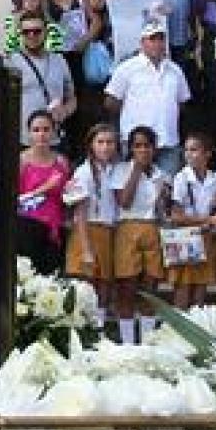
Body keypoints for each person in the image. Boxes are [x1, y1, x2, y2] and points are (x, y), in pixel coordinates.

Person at [104, 20, 192, 174]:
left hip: (168, 143)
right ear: (142, 42)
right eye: (152, 39)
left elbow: (182, 103)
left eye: (161, 39)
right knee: (133, 189)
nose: (157, 44)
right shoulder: (126, 68)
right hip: (136, 144)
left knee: (165, 191)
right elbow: (111, 102)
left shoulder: (175, 70)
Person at [109, 125, 169, 344]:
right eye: (138, 146)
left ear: (154, 148)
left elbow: (162, 211)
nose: (143, 150)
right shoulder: (121, 170)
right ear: (131, 149)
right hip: (128, 226)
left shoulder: (161, 174)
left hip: (151, 227)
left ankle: (147, 339)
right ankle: (127, 341)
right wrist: (136, 170)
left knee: (150, 286)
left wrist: (163, 197)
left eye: (147, 145)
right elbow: (124, 201)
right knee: (127, 285)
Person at [64, 122, 120, 309]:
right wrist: (87, 250)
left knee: (104, 288)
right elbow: (80, 213)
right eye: (100, 142)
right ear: (91, 145)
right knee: (86, 290)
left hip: (107, 233)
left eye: (110, 142)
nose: (105, 147)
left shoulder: (114, 170)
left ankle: (101, 329)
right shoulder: (84, 171)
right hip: (87, 232)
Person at [167, 132, 216, 309]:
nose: (189, 154)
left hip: (204, 236)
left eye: (194, 149)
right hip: (183, 235)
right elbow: (176, 215)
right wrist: (208, 219)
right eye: (187, 150)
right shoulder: (181, 178)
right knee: (182, 287)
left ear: (207, 153)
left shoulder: (215, 179)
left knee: (200, 288)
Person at [8, 13, 75, 143]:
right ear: (20, 34)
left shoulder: (60, 60)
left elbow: (72, 97)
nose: (31, 35)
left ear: (46, 32)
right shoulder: (11, 62)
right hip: (21, 140)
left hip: (53, 139)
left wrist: (65, 111)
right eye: (26, 32)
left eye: (37, 31)